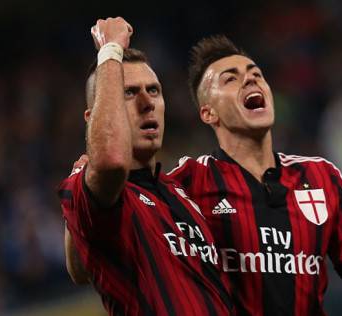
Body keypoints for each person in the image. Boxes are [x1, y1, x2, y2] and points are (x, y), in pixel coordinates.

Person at [66, 33, 342, 315]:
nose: (250, 82)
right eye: (231, 78)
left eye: (256, 74)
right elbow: (89, 259)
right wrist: (85, 182)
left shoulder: (322, 178)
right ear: (208, 113)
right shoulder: (186, 185)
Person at [58, 18, 232, 315]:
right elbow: (111, 161)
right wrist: (110, 51)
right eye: (128, 92)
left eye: (154, 90)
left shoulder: (181, 191)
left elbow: (81, 271)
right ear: (94, 116)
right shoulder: (96, 191)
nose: (147, 102)